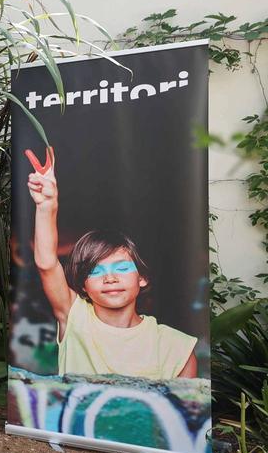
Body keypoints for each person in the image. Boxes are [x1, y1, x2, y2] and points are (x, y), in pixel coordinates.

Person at [25, 146, 198, 379]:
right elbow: (46, 263)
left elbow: (182, 414)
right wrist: (47, 205)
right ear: (83, 285)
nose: (110, 278)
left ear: (142, 277)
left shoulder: (176, 347)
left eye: (122, 267)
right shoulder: (75, 317)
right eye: (96, 271)